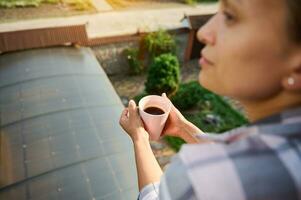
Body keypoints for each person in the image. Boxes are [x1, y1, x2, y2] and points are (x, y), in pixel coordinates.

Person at [119, 0, 301, 199]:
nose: (202, 32)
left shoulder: (204, 180)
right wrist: (182, 127)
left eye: (230, 16)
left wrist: (140, 138)